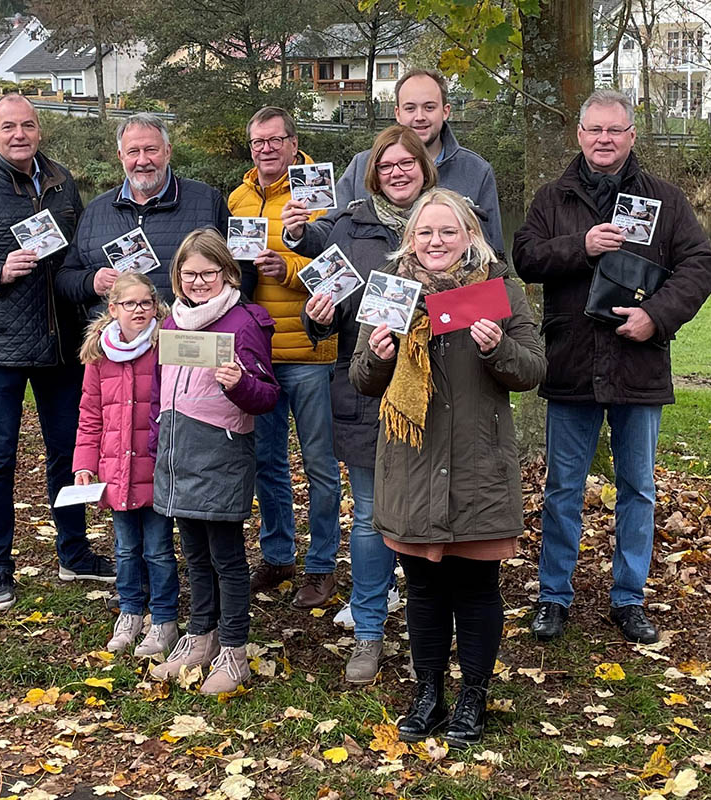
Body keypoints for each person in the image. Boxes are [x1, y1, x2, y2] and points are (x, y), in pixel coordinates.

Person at [513, 89, 711, 645]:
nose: (604, 139)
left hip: (638, 367)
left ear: (631, 136)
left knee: (638, 489)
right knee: (562, 490)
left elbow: (701, 267)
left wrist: (656, 316)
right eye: (594, 129)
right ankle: (553, 596)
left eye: (615, 130)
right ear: (578, 135)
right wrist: (581, 245)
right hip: (572, 364)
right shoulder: (553, 198)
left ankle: (628, 598)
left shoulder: (666, 200)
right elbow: (524, 257)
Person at [351, 188, 545, 746]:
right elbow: (362, 380)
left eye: (448, 232)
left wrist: (495, 349)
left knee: (478, 586)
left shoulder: (497, 289)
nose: (436, 242)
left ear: (470, 237)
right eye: (425, 233)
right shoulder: (390, 294)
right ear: (410, 239)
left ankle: (473, 698)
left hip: (476, 464)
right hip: (411, 464)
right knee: (424, 588)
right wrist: (379, 356)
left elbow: (532, 369)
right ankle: (428, 691)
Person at [0, 94, 119, 610]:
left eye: (27, 126)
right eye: (7, 127)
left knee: (70, 454)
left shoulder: (61, 181)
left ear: (39, 131)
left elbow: (73, 257)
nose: (18, 134)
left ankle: (74, 554)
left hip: (60, 346)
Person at [291, 125, 434, 682]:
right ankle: (370, 631)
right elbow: (318, 310)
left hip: (435, 398)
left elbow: (484, 296)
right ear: (373, 172)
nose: (398, 172)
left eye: (408, 163)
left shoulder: (449, 223)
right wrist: (316, 316)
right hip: (364, 391)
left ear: (425, 167)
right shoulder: (348, 228)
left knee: (428, 515)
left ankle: (430, 626)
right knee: (372, 517)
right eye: (387, 165)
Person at [149, 229, 279, 694]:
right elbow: (158, 393)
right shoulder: (170, 324)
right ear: (177, 277)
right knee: (195, 555)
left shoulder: (243, 323)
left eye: (208, 273)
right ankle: (198, 637)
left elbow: (267, 395)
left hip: (221, 452)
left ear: (227, 273)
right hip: (176, 452)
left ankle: (235, 650)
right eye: (189, 274)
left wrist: (238, 383)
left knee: (227, 559)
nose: (198, 282)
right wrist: (156, 439)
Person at [227, 106, 342, 609]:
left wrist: (288, 268)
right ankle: (278, 555)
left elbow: (338, 269)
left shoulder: (318, 196)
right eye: (258, 141)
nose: (266, 148)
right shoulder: (238, 197)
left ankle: (321, 565)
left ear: (295, 144)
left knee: (319, 463)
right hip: (259, 352)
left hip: (311, 351)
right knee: (267, 461)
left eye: (276, 140)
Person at [73, 273, 180, 658]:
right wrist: (84, 463)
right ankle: (131, 611)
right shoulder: (100, 355)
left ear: (156, 306)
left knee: (158, 549)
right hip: (116, 471)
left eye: (146, 303)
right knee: (125, 549)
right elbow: (90, 415)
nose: (139, 310)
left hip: (155, 468)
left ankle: (164, 618)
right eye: (130, 304)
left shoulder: (164, 346)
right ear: (113, 308)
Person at [287, 70, 503, 255]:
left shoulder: (476, 171)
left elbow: (493, 249)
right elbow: (331, 233)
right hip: (373, 299)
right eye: (410, 108)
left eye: (429, 107)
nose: (419, 117)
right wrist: (300, 233)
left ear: (445, 111)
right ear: (398, 113)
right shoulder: (362, 165)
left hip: (447, 300)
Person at [64, 113, 254, 306]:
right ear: (120, 156)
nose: (143, 160)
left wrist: (217, 315)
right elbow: (65, 279)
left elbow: (243, 270)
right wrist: (91, 282)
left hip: (186, 333)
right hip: (116, 334)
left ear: (168, 152)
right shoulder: (95, 210)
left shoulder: (207, 200)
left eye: (151, 150)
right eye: (133, 152)